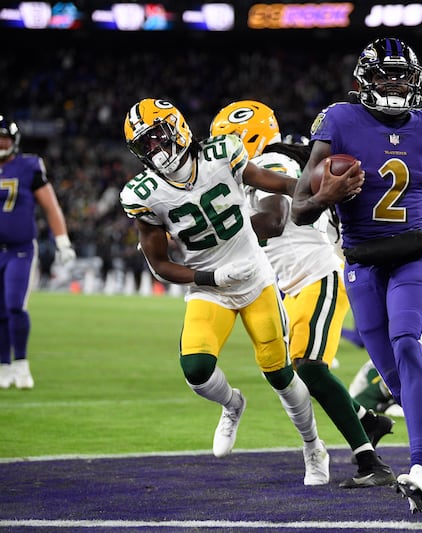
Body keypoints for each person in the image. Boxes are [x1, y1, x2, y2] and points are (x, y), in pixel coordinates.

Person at [291, 37, 422, 514]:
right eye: (386, 76)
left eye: (403, 77)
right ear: (364, 80)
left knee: (407, 345)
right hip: (361, 261)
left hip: (410, 256)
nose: (396, 85)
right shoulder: (339, 121)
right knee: (399, 386)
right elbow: (299, 209)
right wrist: (325, 196)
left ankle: (421, 470)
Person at [119, 98, 328, 486]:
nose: (156, 149)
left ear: (178, 128)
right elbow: (160, 265)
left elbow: (276, 183)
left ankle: (313, 446)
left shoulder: (221, 152)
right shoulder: (142, 194)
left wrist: (314, 189)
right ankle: (232, 404)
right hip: (209, 286)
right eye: (145, 145)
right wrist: (211, 277)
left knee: (280, 374)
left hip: (254, 277)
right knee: (196, 371)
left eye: (159, 137)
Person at [209, 99, 396, 488]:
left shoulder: (273, 160)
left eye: (228, 141)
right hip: (292, 284)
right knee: (299, 372)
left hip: (316, 274)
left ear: (248, 137)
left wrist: (217, 231)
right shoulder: (252, 172)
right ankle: (367, 420)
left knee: (309, 367)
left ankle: (370, 463)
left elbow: (274, 219)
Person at [341, 167, 422, 346]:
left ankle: (420, 348)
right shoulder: (386, 169)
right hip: (407, 250)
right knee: (400, 316)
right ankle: (408, 349)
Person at [0, 114, 76, 390]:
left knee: (15, 306)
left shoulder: (27, 166)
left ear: (14, 140)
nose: (1, 143)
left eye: (4, 138)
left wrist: (62, 241)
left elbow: (50, 206)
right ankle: (3, 366)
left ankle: (20, 363)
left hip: (19, 249)